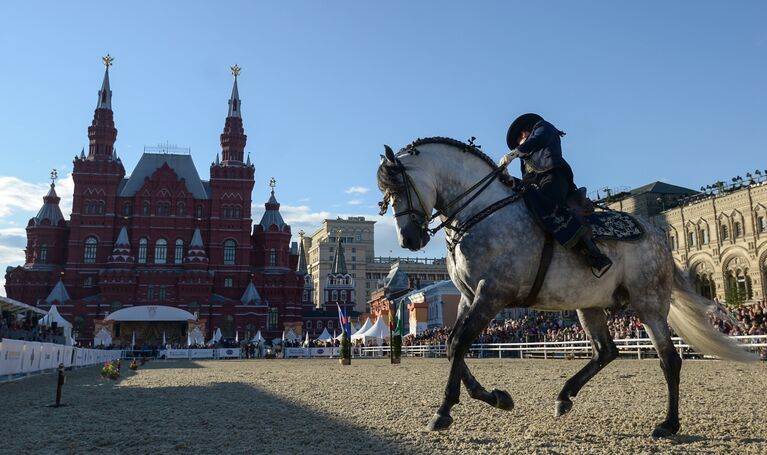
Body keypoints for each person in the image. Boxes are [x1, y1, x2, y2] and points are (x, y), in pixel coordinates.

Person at [499, 113, 612, 277]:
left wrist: (514, 153)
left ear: (525, 132)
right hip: (537, 184)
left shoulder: (544, 128)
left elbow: (539, 139)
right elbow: (526, 181)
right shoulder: (526, 157)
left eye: (520, 139)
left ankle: (591, 250)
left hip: (554, 177)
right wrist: (509, 180)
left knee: (546, 202)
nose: (519, 144)